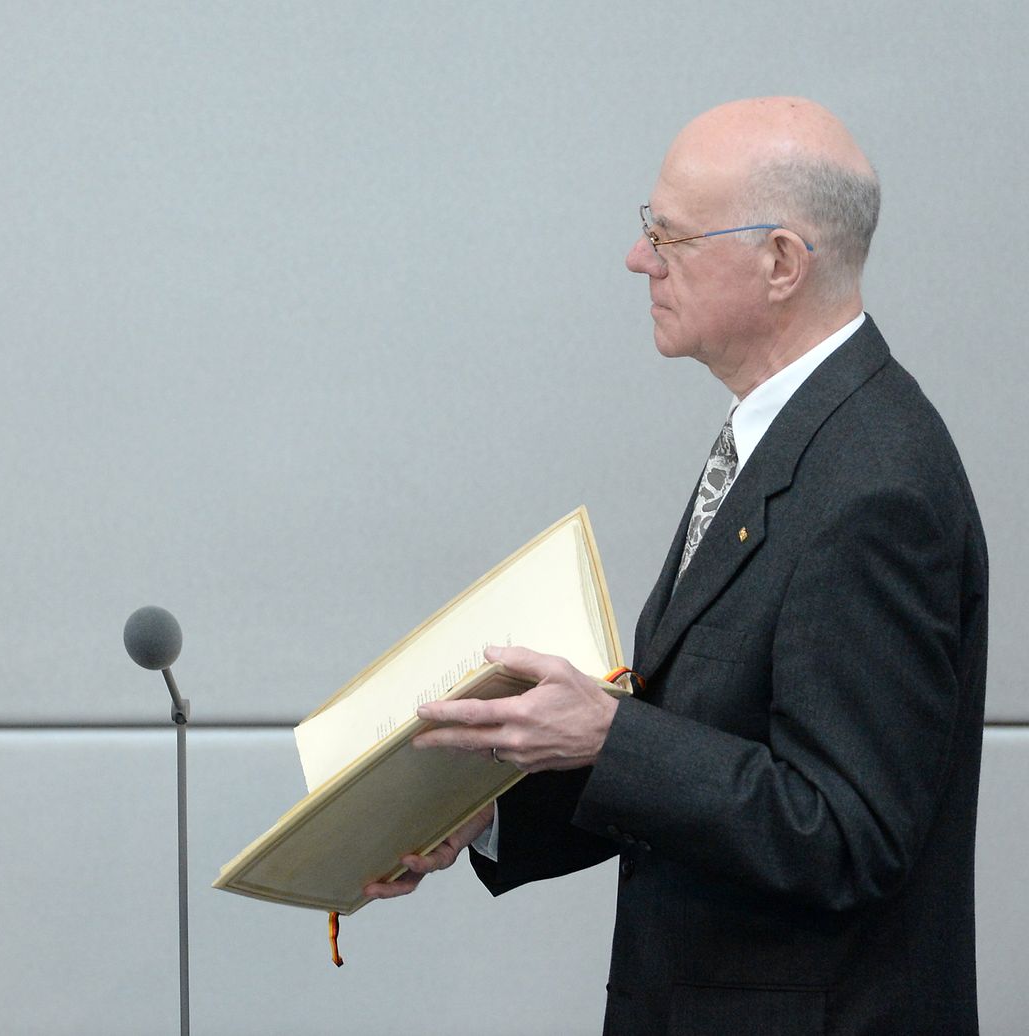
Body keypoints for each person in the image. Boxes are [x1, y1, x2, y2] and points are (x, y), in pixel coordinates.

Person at [366, 97, 987, 1034]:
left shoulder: (875, 486)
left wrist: (609, 736)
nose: (638, 259)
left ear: (780, 262)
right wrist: (482, 816)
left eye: (671, 236)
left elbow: (847, 833)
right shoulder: (785, 435)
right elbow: (705, 748)